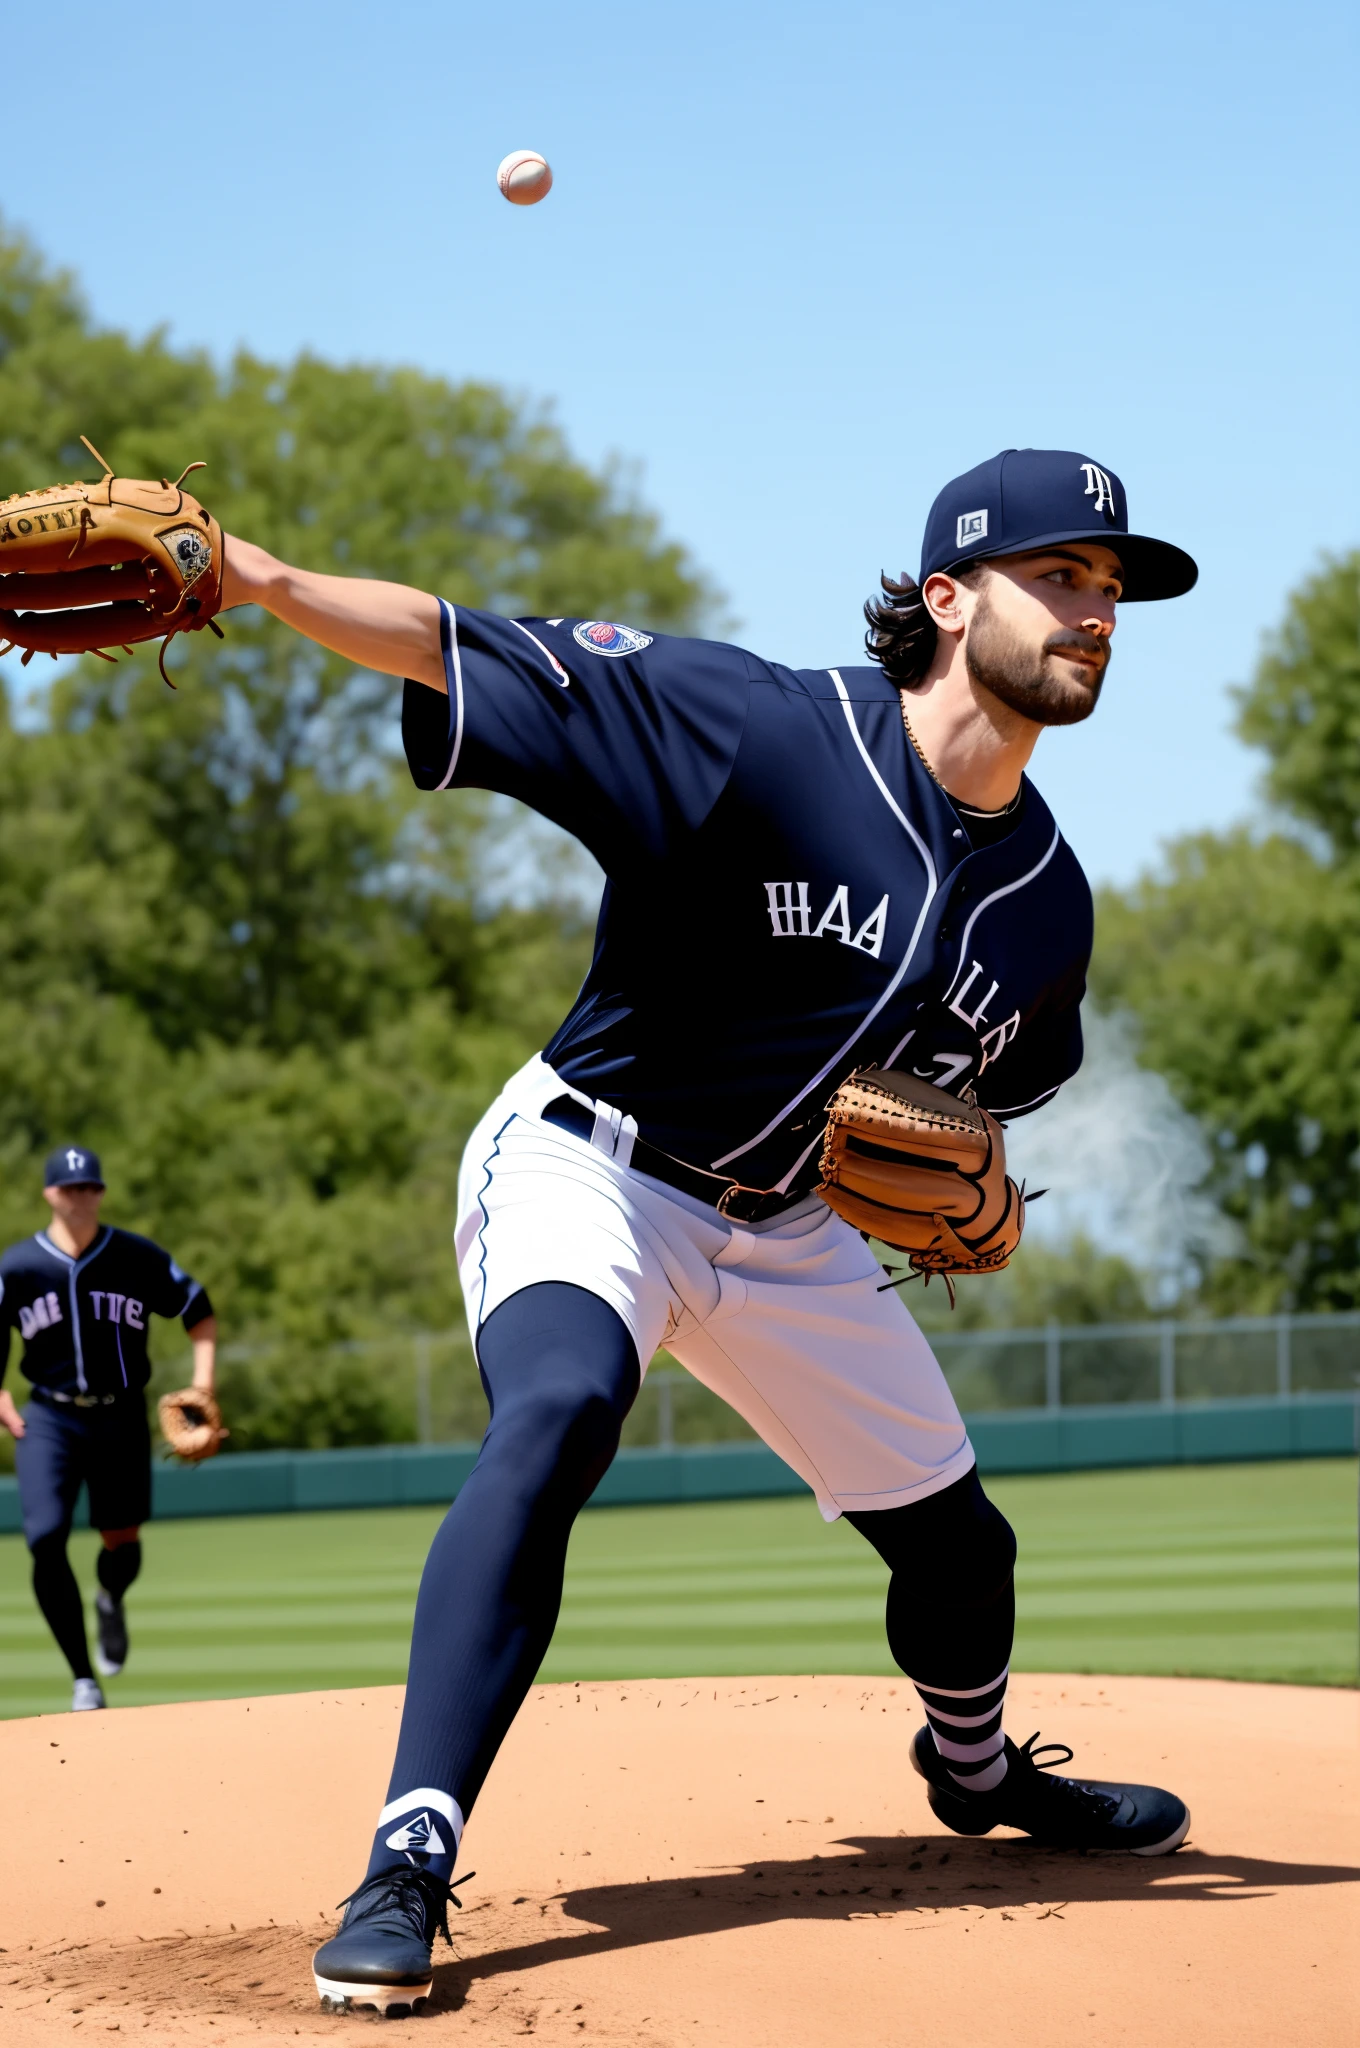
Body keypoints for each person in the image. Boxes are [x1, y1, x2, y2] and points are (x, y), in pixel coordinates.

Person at [218, 447, 1198, 2016]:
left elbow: (977, 1105)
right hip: (592, 1164)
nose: (1097, 612)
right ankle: (408, 1854)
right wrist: (257, 579)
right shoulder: (759, 727)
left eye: (1112, 588)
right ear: (949, 598)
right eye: (1061, 576)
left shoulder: (1046, 902)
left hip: (788, 1227)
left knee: (964, 1547)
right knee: (559, 1413)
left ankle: (976, 1772)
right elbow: (459, 644)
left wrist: (990, 1198)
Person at [0, 1145, 217, 1710]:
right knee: (45, 1538)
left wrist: (202, 1387)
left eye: (90, 1186)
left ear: (101, 1193)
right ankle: (83, 1680)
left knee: (122, 1543)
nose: (81, 1196)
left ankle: (110, 1597)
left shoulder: (136, 1256)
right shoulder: (17, 1266)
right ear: (49, 1193)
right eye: (70, 1187)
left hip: (119, 1415)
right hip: (49, 1416)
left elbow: (198, 1309)